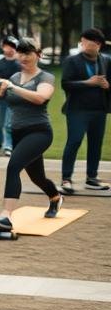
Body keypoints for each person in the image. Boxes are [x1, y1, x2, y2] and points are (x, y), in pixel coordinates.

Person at [0, 37, 64, 230]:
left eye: (28, 53)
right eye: (20, 53)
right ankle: (55, 197)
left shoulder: (45, 77)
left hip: (39, 132)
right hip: (18, 133)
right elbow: (7, 100)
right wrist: (0, 91)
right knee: (37, 177)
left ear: (38, 55)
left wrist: (13, 88)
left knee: (13, 166)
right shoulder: (14, 77)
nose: (23, 57)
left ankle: (6, 216)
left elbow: (40, 98)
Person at [58, 28, 109, 194]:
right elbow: (65, 84)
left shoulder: (106, 60)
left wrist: (108, 86)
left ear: (98, 45)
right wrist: (88, 83)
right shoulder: (72, 61)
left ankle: (92, 178)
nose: (85, 45)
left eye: (90, 42)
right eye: (83, 41)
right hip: (77, 109)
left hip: (99, 109)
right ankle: (66, 179)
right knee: (74, 141)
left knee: (96, 144)